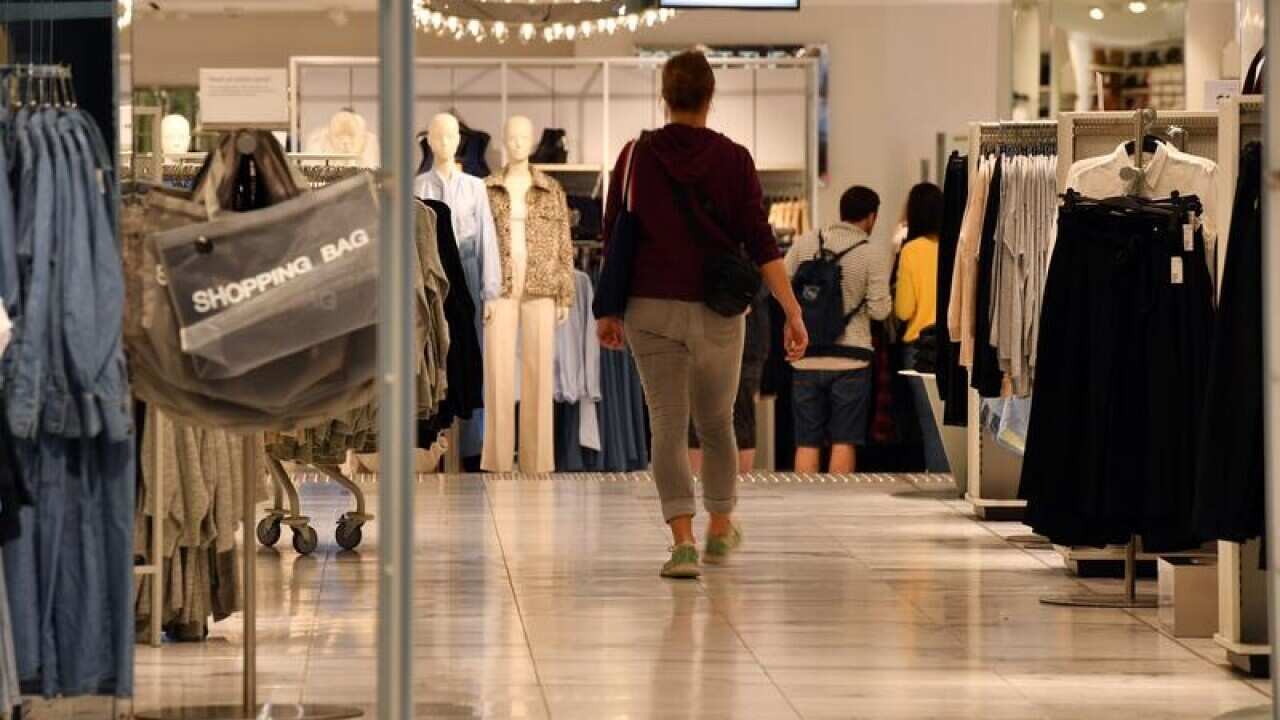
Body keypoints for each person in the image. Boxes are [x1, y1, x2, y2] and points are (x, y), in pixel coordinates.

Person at [596, 50, 809, 579]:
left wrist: (607, 310)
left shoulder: (635, 156)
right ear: (710, 98)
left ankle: (682, 544)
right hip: (719, 311)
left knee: (667, 424)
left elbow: (613, 233)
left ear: (664, 97)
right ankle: (719, 527)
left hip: (649, 308)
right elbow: (761, 241)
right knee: (716, 422)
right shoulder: (734, 159)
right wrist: (791, 309)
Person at [784, 186, 891, 474]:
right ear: (871, 217)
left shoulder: (806, 242)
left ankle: (803, 498)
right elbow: (880, 311)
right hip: (851, 359)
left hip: (805, 356)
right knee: (844, 440)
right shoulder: (871, 253)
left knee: (806, 441)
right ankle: (838, 499)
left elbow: (781, 286)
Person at [894, 182, 949, 472]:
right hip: (954, 344)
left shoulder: (912, 250)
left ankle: (938, 479)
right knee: (953, 421)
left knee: (930, 424)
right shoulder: (955, 246)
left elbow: (904, 309)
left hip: (920, 346)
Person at [689, 289, 771, 475]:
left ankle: (737, 482)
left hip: (742, 342)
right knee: (703, 413)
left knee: (738, 413)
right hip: (722, 338)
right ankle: (699, 480)